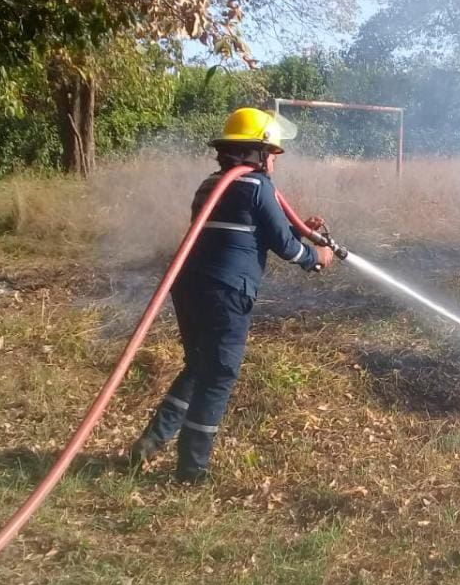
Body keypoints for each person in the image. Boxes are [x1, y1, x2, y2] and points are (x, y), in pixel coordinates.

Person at [129, 107, 335, 483]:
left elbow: (250, 224)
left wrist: (302, 227)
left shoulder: (212, 184)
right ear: (257, 153)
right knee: (219, 374)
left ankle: (150, 443)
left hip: (189, 287)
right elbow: (286, 248)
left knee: (198, 366)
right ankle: (192, 470)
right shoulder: (258, 186)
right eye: (272, 152)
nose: (275, 159)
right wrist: (316, 257)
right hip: (226, 293)